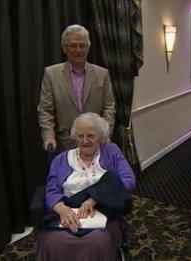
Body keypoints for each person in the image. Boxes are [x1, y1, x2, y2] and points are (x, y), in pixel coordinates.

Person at [35, 112, 135, 260]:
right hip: (69, 210)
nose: (85, 141)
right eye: (80, 136)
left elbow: (128, 180)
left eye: (91, 136)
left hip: (103, 209)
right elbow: (51, 190)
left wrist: (95, 198)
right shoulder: (60, 160)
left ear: (100, 136)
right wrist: (61, 208)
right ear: (74, 137)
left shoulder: (112, 151)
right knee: (51, 241)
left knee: (97, 242)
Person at [38, 24, 116, 151]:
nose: (78, 50)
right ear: (64, 48)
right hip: (65, 143)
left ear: (88, 48)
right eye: (73, 46)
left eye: (82, 45)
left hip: (96, 142)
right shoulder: (51, 74)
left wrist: (105, 133)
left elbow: (109, 107)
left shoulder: (102, 74)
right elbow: (45, 110)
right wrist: (48, 137)